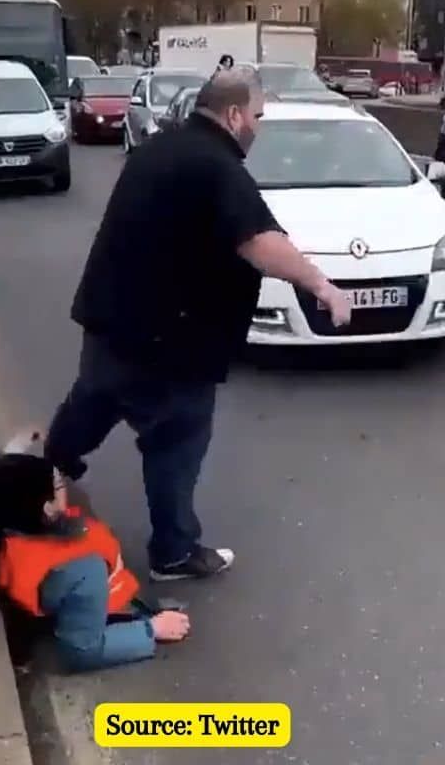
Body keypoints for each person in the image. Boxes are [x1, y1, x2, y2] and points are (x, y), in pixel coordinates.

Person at [43, 67, 352, 583]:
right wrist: (322, 286)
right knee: (175, 445)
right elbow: (260, 242)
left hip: (109, 319)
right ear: (233, 115)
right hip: (172, 344)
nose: (258, 126)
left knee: (93, 402)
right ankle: (174, 552)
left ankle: (48, 470)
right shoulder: (217, 166)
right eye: (257, 116)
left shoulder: (157, 150)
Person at [0, 451, 191, 672]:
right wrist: (152, 629)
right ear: (47, 509)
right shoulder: (82, 569)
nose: (65, 483)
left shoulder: (3, 524)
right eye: (59, 485)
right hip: (88, 608)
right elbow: (82, 650)